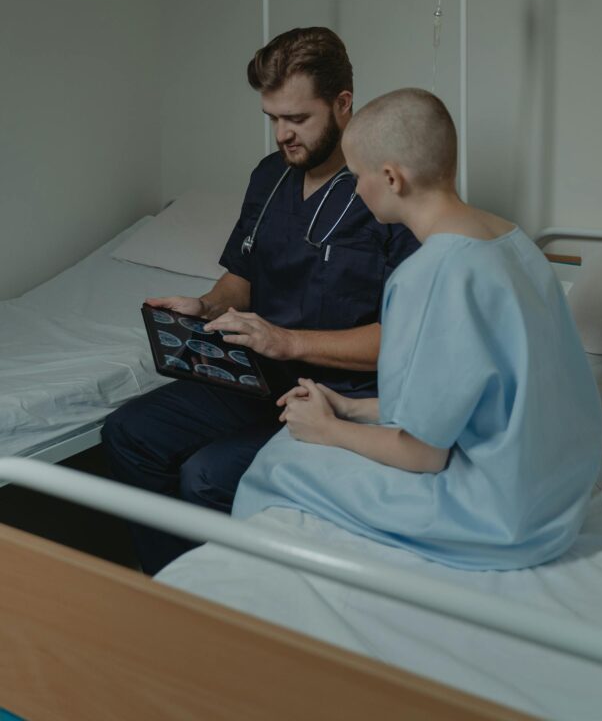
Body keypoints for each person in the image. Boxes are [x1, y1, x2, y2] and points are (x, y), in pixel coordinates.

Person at [232, 88, 602, 570]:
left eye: (355, 176)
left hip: (498, 516)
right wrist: (351, 407)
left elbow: (423, 454)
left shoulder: (428, 275)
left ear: (391, 177)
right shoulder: (514, 241)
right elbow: (481, 393)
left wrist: (328, 430)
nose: (355, 189)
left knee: (277, 463)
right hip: (555, 496)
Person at [101, 28, 418, 574]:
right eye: (273, 118)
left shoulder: (385, 191)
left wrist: (288, 339)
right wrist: (204, 307)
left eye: (297, 119)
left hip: (338, 394)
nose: (283, 135)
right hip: (253, 376)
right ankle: (179, 590)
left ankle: (231, 609)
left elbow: (406, 341)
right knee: (129, 434)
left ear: (343, 104)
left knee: (206, 474)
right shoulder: (270, 177)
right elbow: (241, 278)